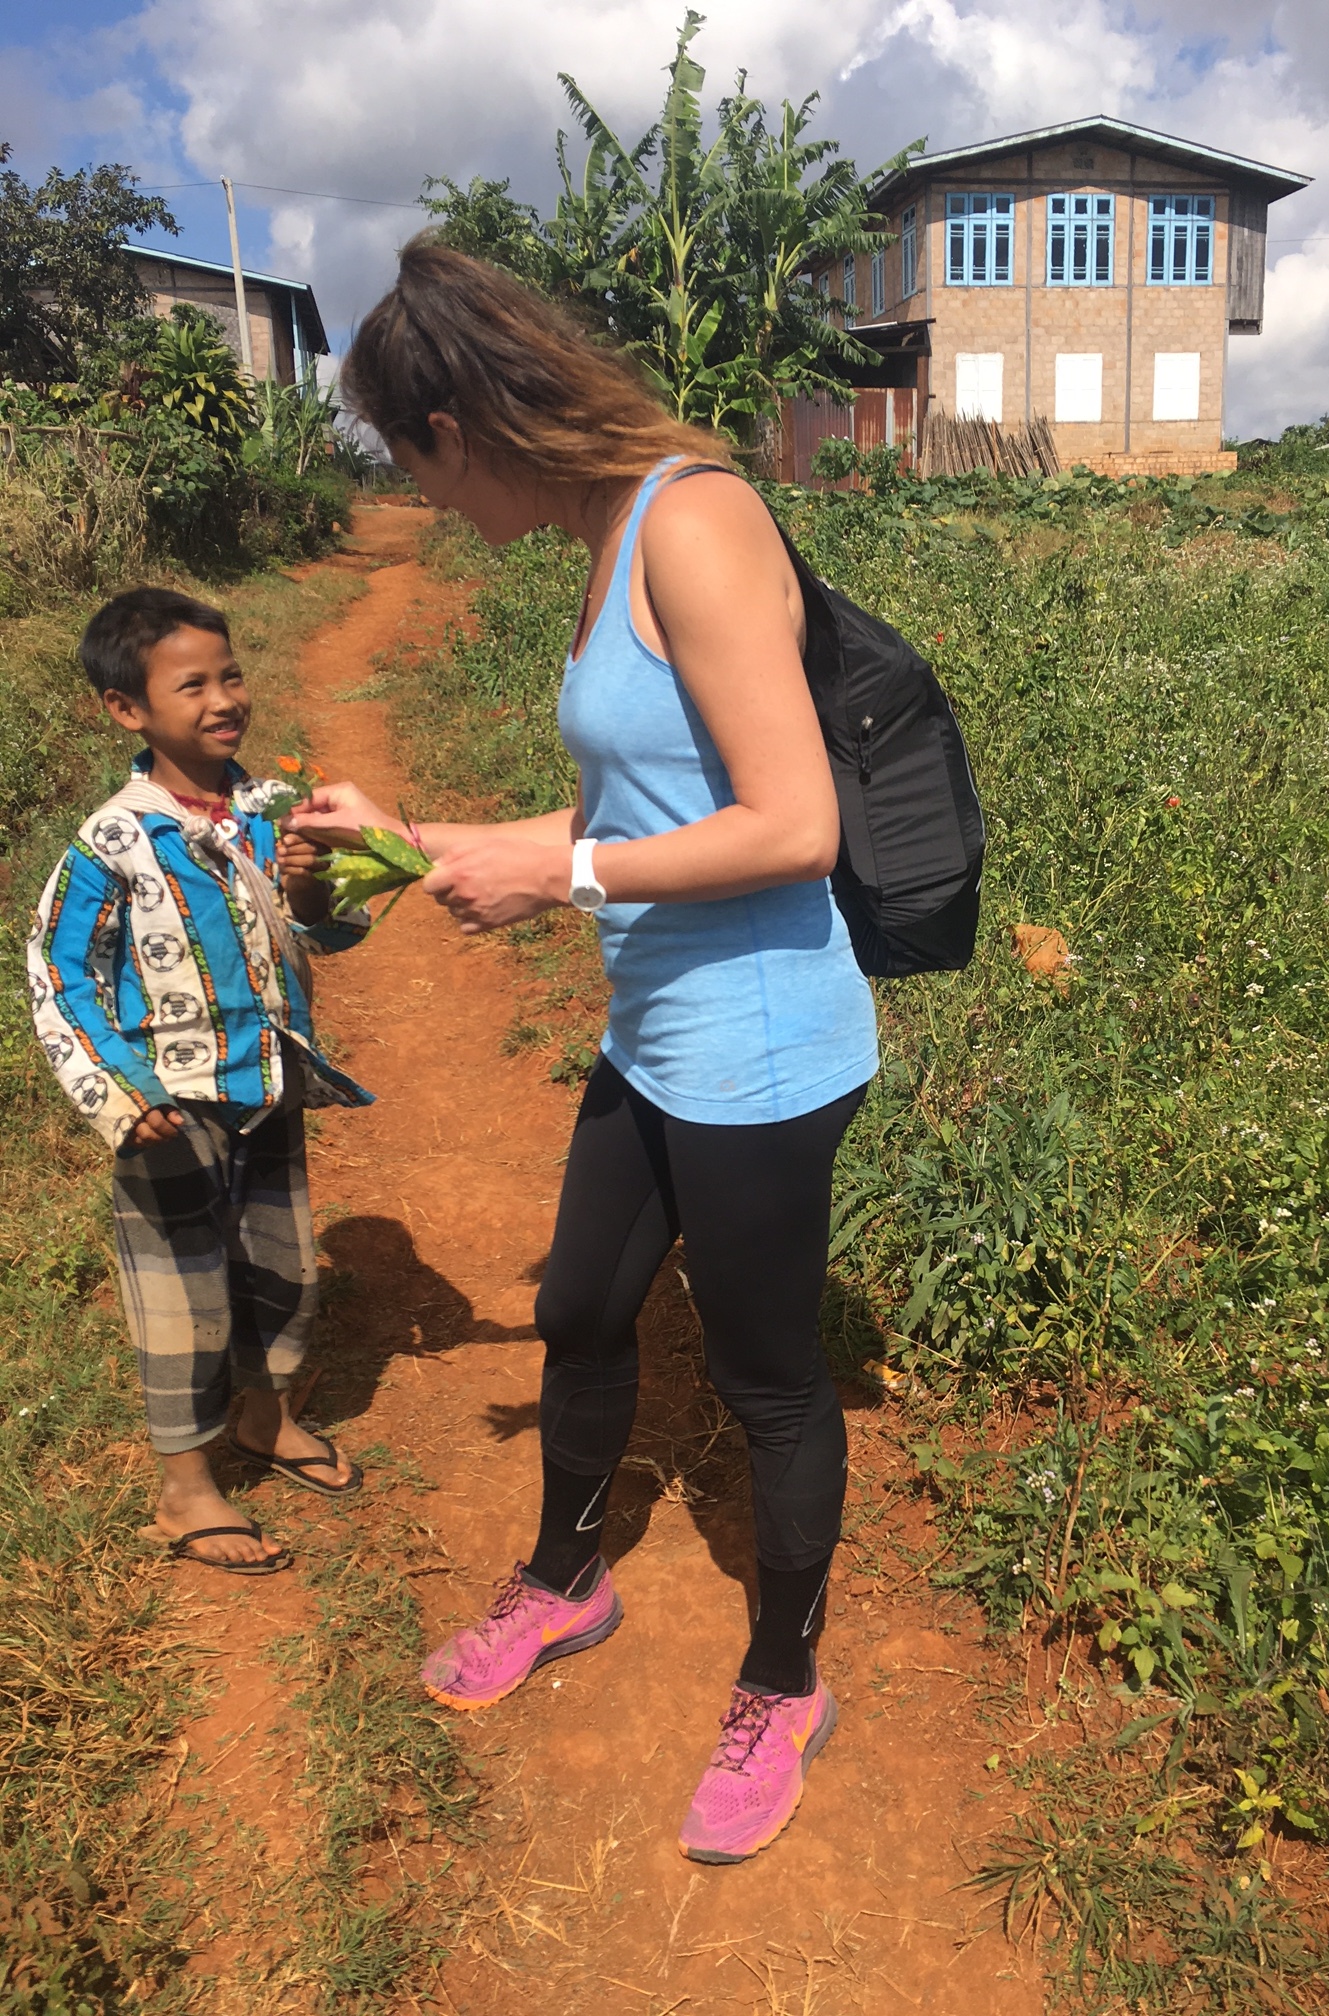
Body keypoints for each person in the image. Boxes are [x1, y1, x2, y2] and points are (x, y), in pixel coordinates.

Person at [292, 241, 878, 1864]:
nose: (424, 504)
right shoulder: (610, 533)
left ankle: (784, 1674)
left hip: (759, 1051)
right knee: (582, 1305)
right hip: (657, 1030)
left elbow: (795, 823)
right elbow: (637, 816)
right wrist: (422, 844)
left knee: (764, 1380)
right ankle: (566, 1578)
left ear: (458, 421)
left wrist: (560, 872)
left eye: (412, 467)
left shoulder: (689, 522)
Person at [28, 588, 373, 1576]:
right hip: (168, 1114)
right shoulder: (112, 843)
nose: (224, 698)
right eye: (194, 685)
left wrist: (310, 879)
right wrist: (123, 1096)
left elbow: (326, 931)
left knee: (283, 1267)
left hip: (268, 1087)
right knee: (182, 1295)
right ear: (125, 710)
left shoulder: (262, 817)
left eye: (231, 675)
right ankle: (184, 1489)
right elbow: (57, 972)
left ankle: (265, 1419)